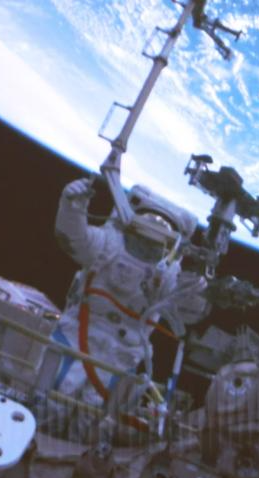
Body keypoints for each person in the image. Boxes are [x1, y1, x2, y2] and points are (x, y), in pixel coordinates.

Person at [49, 177, 206, 442]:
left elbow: (188, 312)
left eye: (161, 231)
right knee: (53, 398)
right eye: (148, 224)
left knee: (91, 419)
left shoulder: (167, 274)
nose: (151, 236)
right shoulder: (107, 244)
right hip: (76, 337)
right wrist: (72, 206)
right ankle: (34, 437)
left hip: (120, 356)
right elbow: (73, 237)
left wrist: (197, 289)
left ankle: (69, 453)